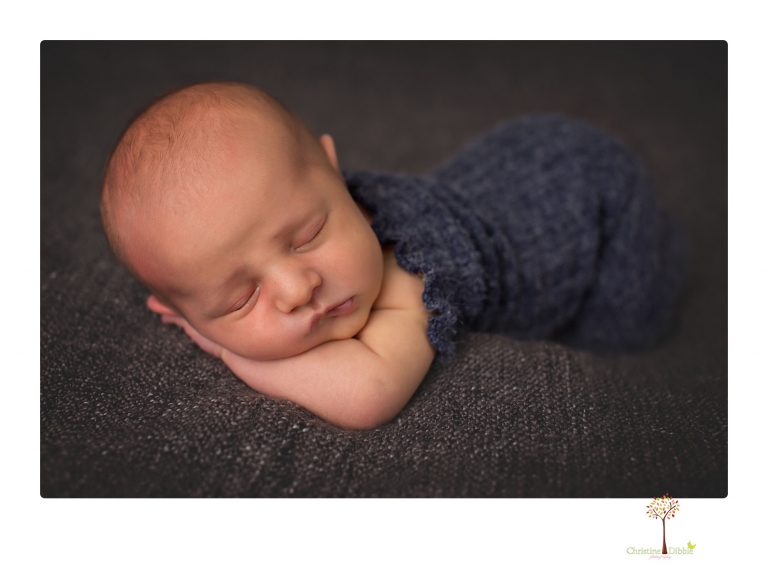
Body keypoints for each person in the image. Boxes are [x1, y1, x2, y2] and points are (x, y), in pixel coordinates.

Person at [101, 81, 687, 430]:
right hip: (521, 164)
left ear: (336, 174)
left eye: (306, 235)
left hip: (592, 200)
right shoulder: (315, 250)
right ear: (177, 306)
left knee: (630, 323)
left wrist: (223, 343)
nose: (298, 286)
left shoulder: (414, 274)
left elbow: (369, 394)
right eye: (240, 298)